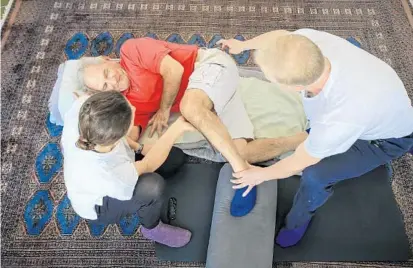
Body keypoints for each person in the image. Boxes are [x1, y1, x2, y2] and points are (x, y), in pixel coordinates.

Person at [219, 29, 413, 247]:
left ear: (295, 88)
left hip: (385, 139)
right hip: (383, 108)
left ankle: (297, 222)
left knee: (315, 175)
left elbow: (299, 161)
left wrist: (261, 175)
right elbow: (279, 37)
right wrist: (243, 45)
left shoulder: (338, 119)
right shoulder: (308, 43)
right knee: (315, 142)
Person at [79, 37, 307, 217]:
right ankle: (299, 139)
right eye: (106, 86)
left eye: (108, 74)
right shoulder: (126, 103)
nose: (114, 82)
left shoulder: (131, 51)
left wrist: (164, 110)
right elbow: (129, 136)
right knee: (238, 151)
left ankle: (242, 172)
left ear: (106, 59)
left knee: (189, 107)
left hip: (209, 68)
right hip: (217, 98)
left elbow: (174, 70)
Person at [61, 90, 196, 247]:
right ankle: (151, 228)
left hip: (106, 167)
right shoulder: (110, 174)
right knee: (152, 186)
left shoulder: (85, 108)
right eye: (131, 113)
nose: (133, 108)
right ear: (117, 137)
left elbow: (82, 98)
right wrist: (175, 130)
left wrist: (139, 148)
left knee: (174, 158)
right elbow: (147, 165)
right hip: (99, 207)